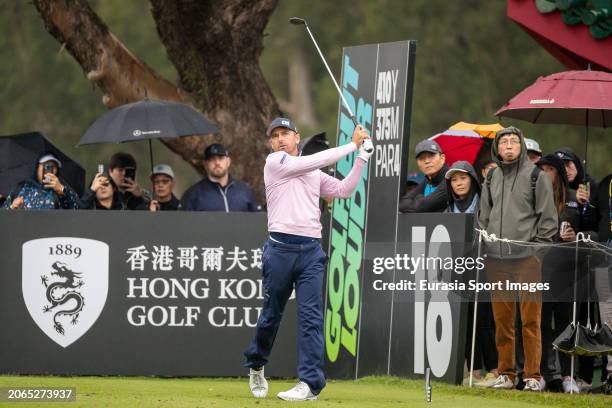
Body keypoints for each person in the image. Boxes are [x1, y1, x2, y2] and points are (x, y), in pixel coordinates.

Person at [244, 117, 372, 401]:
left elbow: (343, 190)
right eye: (275, 135)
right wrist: (352, 145)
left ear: (297, 138)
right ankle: (256, 363)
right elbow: (310, 162)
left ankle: (310, 384)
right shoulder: (275, 162)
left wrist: (362, 157)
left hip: (311, 252)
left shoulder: (313, 172)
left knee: (312, 318)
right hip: (279, 250)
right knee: (271, 315)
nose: (280, 139)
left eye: (285, 134)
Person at [478, 126, 558, 392]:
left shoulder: (536, 176)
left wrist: (537, 254)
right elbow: (483, 216)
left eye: (514, 141)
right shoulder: (491, 178)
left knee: (530, 321)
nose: (509, 145)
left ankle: (533, 376)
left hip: (527, 260)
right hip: (497, 259)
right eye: (504, 142)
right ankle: (507, 374)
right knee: (502, 321)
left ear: (522, 147)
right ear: (497, 148)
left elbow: (548, 220)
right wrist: (488, 243)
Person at [445, 161, 499, 387]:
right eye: (454, 180)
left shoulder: (484, 204)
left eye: (463, 178)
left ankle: (496, 370)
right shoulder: (448, 208)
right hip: (460, 271)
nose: (459, 183)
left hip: (485, 268)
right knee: (465, 321)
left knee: (485, 321)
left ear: (473, 180)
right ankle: (475, 370)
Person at [535, 154, 581, 393]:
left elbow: (588, 230)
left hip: (567, 271)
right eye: (541, 168)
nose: (544, 172)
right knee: (542, 323)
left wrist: (576, 235)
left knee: (566, 323)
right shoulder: (535, 198)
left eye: (549, 169)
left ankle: (567, 375)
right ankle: (543, 373)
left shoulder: (574, 199)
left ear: (559, 173)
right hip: (541, 269)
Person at [181, 143, 259, 212]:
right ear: (205, 164)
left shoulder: (244, 190)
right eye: (212, 159)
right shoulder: (193, 194)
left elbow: (257, 220)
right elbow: (185, 225)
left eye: (221, 158)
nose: (217, 163)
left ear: (228, 161)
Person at [2, 153, 79, 210]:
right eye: (46, 166)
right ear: (37, 167)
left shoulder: (62, 190)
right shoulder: (22, 187)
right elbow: (3, 218)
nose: (49, 170)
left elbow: (76, 211)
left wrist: (62, 190)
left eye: (53, 167)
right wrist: (12, 207)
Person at [593, 173, 612, 394]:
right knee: (607, 319)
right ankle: (610, 375)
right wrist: (584, 204)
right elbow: (593, 221)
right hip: (603, 256)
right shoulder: (604, 183)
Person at [398, 139, 448, 212]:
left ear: (442, 158)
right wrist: (422, 201)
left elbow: (424, 206)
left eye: (431, 156)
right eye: (421, 158)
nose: (427, 161)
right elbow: (402, 204)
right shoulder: (427, 180)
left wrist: (418, 198)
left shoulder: (450, 177)